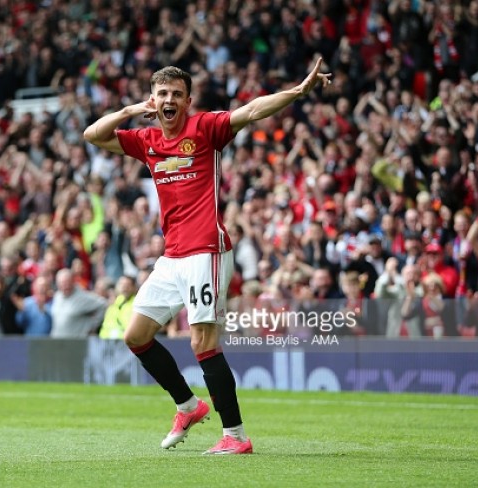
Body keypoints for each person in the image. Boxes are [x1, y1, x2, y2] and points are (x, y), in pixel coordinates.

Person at [83, 58, 331, 454]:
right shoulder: (146, 139)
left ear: (188, 101)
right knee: (136, 335)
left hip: (206, 249)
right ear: (153, 99)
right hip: (172, 255)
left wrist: (298, 91)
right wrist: (131, 111)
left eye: (176, 95)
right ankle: (188, 405)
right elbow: (93, 134)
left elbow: (251, 110)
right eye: (162, 94)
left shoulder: (205, 128)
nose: (169, 100)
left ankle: (235, 436)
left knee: (203, 342)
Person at [99, 275, 137, 339]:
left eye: (127, 285)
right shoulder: (113, 303)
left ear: (134, 287)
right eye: (121, 284)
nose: (124, 288)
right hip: (108, 343)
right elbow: (105, 326)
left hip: (126, 344)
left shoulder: (137, 304)